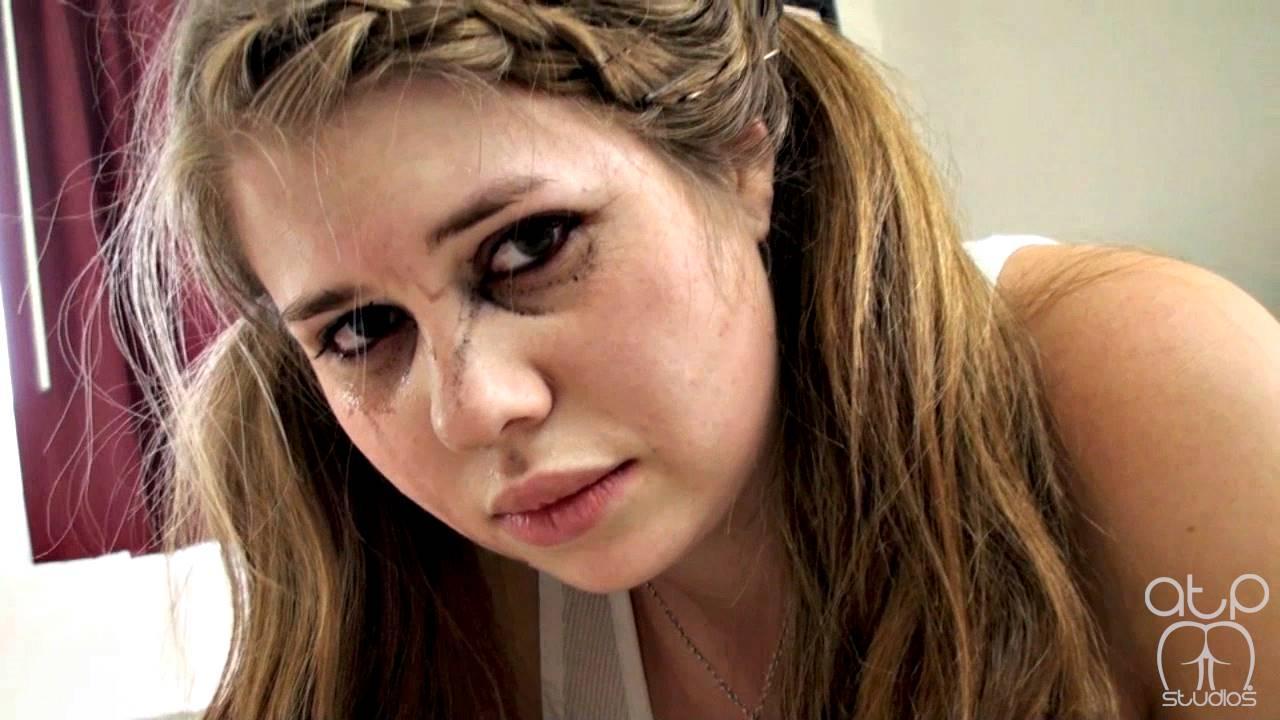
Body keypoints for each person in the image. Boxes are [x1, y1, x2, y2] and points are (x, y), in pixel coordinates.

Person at [104, 1, 1280, 719]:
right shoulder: (399, 577)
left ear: (739, 155)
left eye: (530, 247)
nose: (474, 411)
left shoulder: (1145, 387)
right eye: (362, 332)